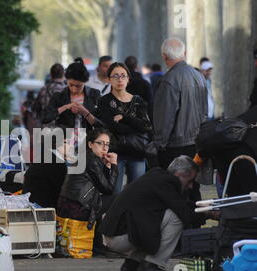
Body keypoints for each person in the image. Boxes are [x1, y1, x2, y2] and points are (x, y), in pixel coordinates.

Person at [100, 156, 211, 271]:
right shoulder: (168, 183)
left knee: (153, 222)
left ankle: (132, 264)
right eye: (190, 181)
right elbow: (185, 215)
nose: (190, 186)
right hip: (120, 237)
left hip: (113, 234)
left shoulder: (157, 177)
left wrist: (202, 209)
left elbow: (179, 204)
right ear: (180, 174)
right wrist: (208, 213)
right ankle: (152, 265)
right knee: (175, 217)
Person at [58, 128, 118, 255]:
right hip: (78, 207)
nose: (105, 147)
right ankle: (100, 243)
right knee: (117, 198)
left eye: (107, 144)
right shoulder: (90, 161)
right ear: (90, 144)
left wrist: (107, 167)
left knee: (100, 200)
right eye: (100, 143)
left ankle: (97, 243)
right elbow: (108, 189)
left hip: (71, 204)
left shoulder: (87, 157)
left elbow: (102, 185)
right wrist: (114, 166)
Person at [96, 62, 153, 193]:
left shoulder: (138, 100)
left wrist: (125, 118)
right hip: (115, 153)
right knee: (114, 193)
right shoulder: (104, 101)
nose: (120, 79)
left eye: (123, 75)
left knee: (137, 193)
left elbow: (147, 126)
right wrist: (135, 126)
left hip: (137, 151)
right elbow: (111, 127)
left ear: (128, 78)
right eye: (115, 76)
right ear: (109, 79)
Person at [153, 38, 208, 171]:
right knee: (191, 184)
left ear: (164, 56)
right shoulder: (198, 76)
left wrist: (159, 144)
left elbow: (165, 117)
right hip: (196, 141)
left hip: (175, 145)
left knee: (174, 186)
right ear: (185, 53)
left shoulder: (168, 80)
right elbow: (205, 110)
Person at [42, 58, 103, 132]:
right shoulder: (59, 96)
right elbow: (45, 118)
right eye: (71, 85)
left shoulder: (94, 95)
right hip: (64, 140)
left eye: (78, 86)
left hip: (88, 139)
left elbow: (101, 124)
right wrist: (65, 107)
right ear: (66, 80)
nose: (74, 89)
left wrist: (85, 112)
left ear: (85, 82)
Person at [33, 63, 66, 129]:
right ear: (63, 74)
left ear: (51, 75)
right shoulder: (66, 91)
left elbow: (35, 109)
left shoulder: (43, 90)